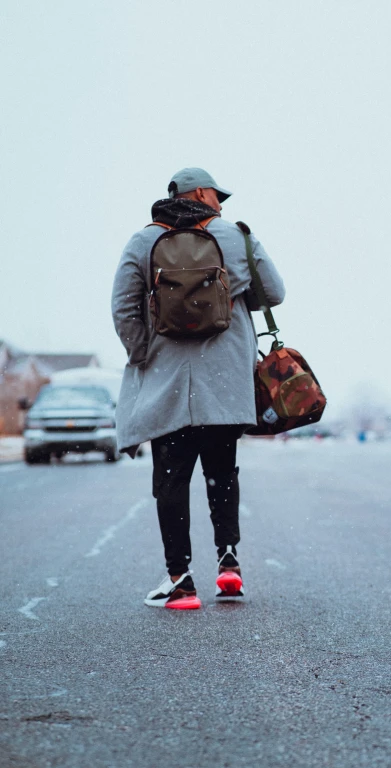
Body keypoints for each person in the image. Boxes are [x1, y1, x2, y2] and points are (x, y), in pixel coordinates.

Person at [111, 167, 285, 608]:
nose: (222, 204)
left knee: (170, 480)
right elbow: (276, 294)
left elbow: (123, 307)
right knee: (221, 473)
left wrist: (142, 353)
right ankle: (229, 566)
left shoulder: (142, 241)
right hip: (224, 379)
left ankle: (181, 581)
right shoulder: (235, 236)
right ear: (203, 193)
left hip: (165, 380)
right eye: (217, 196)